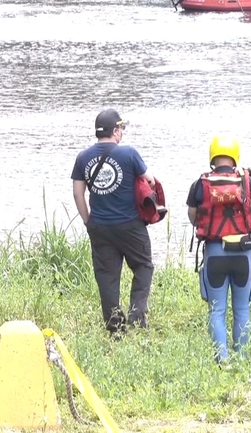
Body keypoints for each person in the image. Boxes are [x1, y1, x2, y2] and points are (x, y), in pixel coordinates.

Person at [188, 135, 251, 363]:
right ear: (235, 157)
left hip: (215, 254)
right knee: (242, 310)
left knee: (217, 311)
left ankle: (221, 360)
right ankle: (241, 359)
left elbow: (193, 217)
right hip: (244, 254)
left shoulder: (200, 184)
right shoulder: (250, 182)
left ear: (212, 155)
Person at [71, 109, 155, 336]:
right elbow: (150, 180)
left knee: (107, 277)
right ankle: (137, 317)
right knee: (143, 266)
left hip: (100, 226)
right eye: (122, 129)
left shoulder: (83, 157)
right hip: (130, 225)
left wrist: (88, 221)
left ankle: (115, 329)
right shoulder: (129, 154)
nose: (123, 133)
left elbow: (78, 194)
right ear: (115, 130)